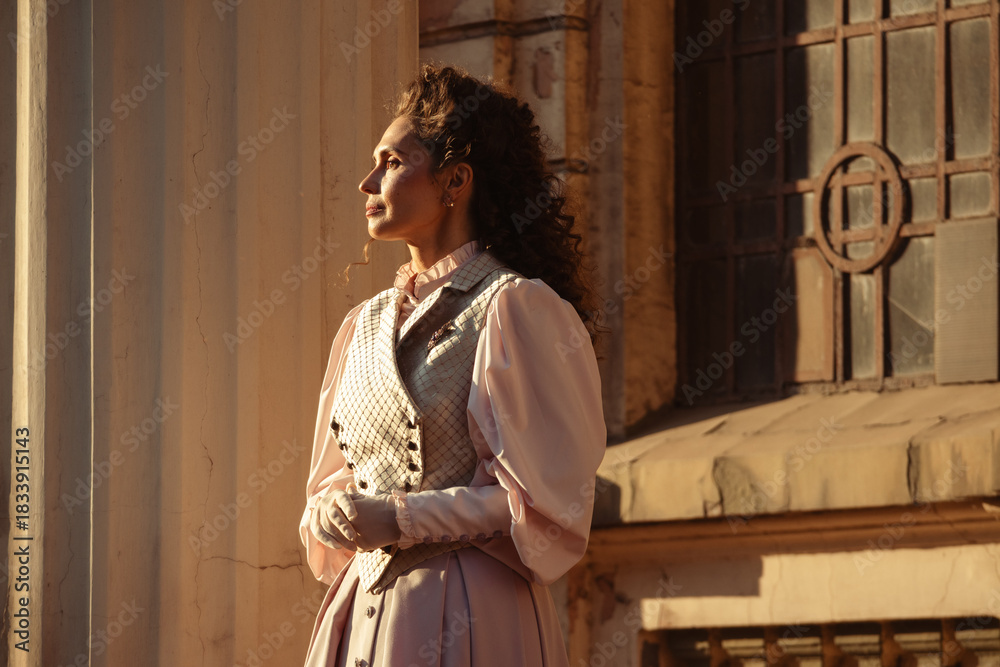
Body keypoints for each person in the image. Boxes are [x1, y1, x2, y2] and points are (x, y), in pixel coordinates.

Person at [299, 64, 607, 667]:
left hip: (471, 611)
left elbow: (546, 505)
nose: (367, 182)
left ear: (455, 179)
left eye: (391, 162)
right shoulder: (361, 324)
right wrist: (331, 510)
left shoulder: (516, 306)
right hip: (363, 614)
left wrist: (398, 517)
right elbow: (330, 481)